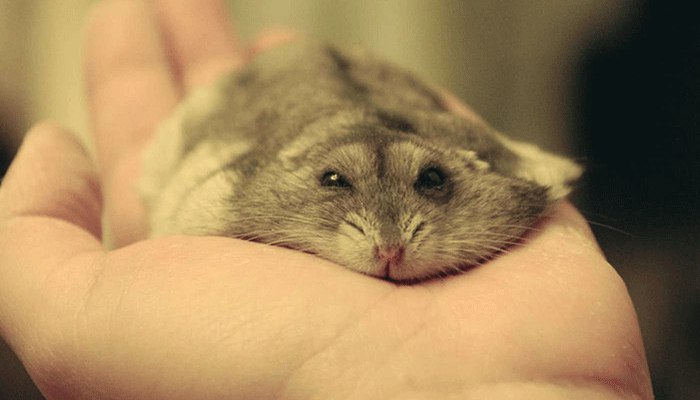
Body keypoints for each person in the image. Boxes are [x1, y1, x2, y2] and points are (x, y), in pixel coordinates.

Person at [0, 1, 653, 398]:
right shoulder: (230, 185)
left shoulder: (504, 174)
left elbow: (537, 175)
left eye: (431, 182)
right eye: (335, 183)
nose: (390, 243)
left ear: (471, 169)